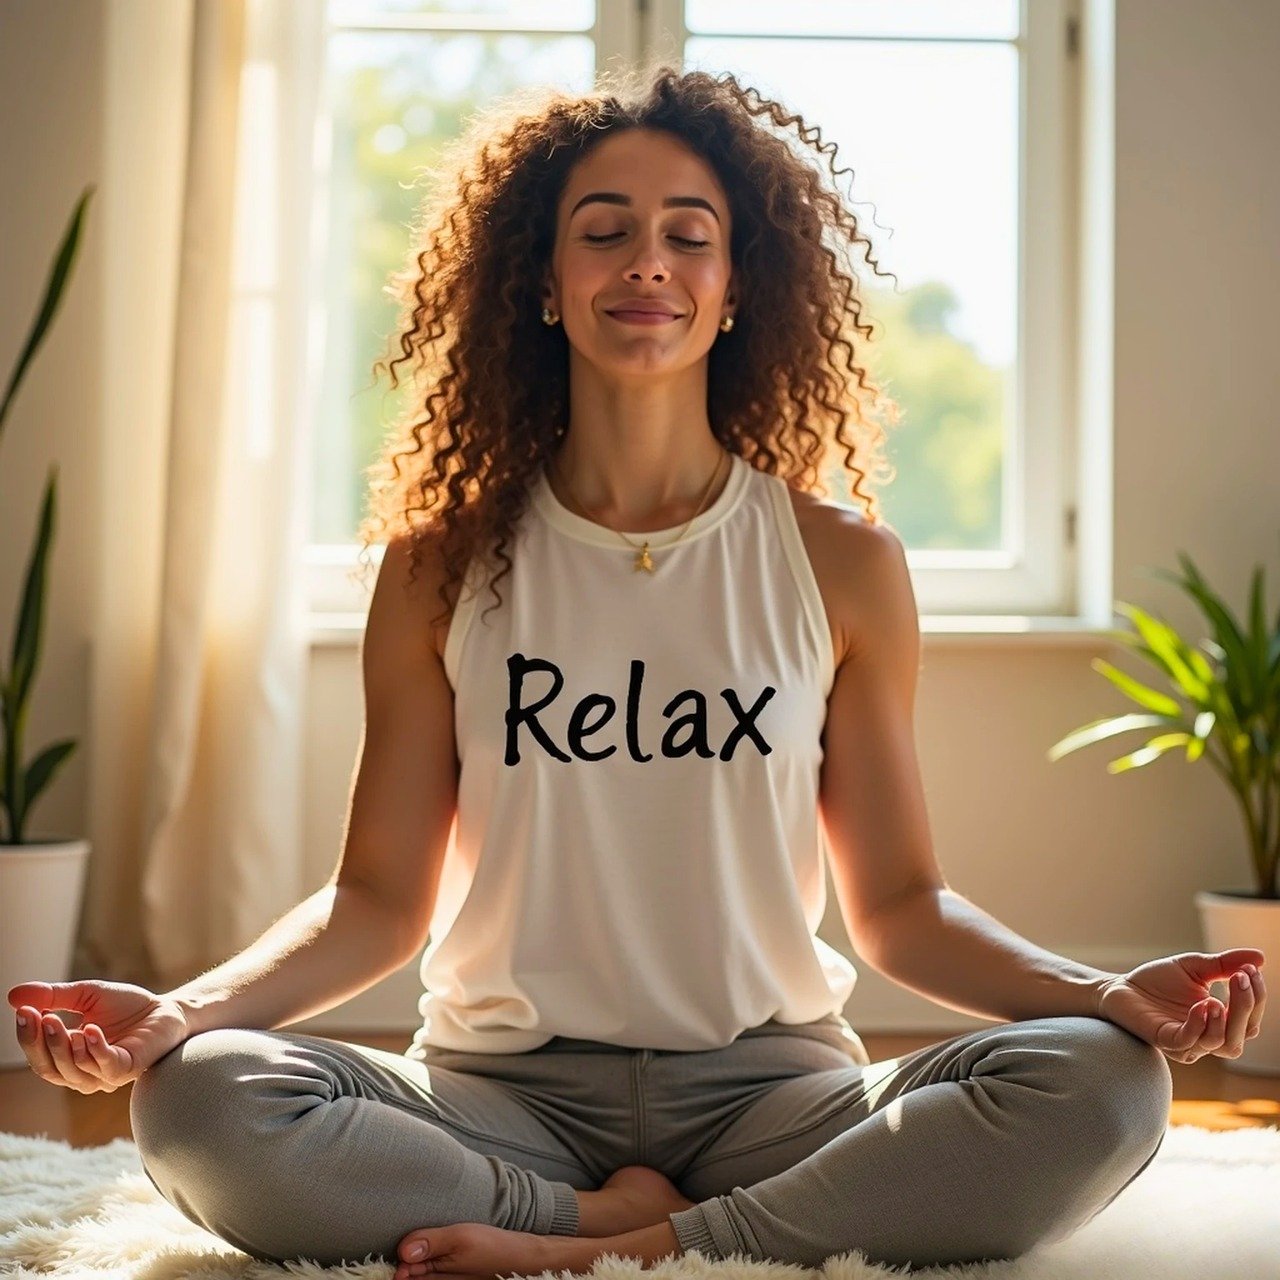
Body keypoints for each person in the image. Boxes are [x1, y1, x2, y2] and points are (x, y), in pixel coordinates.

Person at [8, 63, 1265, 1280]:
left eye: (688, 234)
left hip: (773, 1092)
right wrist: (183, 1009)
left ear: (734, 285)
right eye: (603, 231)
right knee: (204, 1102)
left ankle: (622, 1242)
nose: (647, 261)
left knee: (1101, 1081)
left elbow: (897, 906)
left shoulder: (841, 563)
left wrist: (1102, 991)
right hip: (501, 1093)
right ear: (544, 283)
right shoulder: (440, 568)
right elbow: (376, 903)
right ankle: (617, 1214)